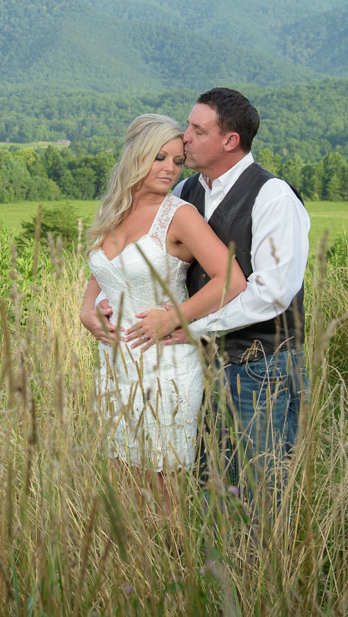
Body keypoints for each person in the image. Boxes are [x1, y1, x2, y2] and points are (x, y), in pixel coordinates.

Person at [93, 88, 311, 499]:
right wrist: (110, 297)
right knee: (208, 486)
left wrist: (188, 324)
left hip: (261, 365)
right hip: (194, 363)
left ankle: (257, 566)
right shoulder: (187, 191)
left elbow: (274, 292)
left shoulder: (273, 196)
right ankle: (201, 564)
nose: (185, 136)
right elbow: (150, 252)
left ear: (229, 141)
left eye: (197, 129)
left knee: (255, 490)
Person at [80, 114, 246, 505]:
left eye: (177, 160)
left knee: (161, 491)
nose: (170, 168)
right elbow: (104, 266)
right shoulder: (114, 210)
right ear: (135, 157)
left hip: (165, 369)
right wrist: (86, 308)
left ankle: (173, 565)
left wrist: (174, 317)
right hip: (114, 366)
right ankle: (132, 567)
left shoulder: (178, 215)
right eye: (160, 158)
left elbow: (231, 278)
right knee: (120, 484)